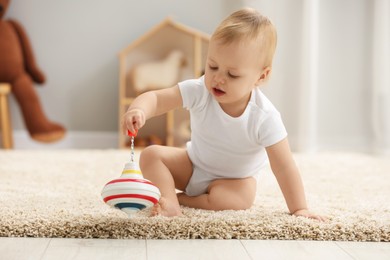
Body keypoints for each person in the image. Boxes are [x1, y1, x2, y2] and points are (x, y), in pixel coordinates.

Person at [122, 7, 326, 221]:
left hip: (233, 181)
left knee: (240, 200)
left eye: (232, 74)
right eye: (212, 66)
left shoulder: (264, 117)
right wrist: (138, 109)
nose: (218, 78)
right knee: (152, 155)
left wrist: (299, 208)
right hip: (192, 165)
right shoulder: (200, 90)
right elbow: (157, 98)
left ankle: (182, 200)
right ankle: (169, 202)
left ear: (261, 76)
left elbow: (284, 166)